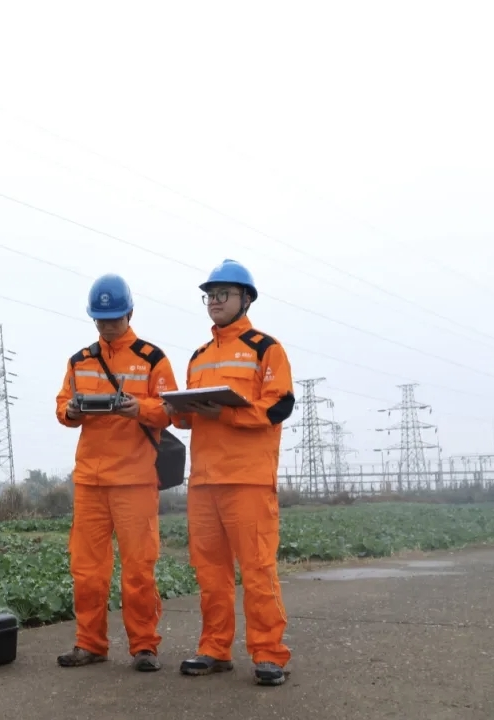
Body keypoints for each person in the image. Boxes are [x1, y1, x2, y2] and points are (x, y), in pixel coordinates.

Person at [167, 258, 296, 687]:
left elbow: (278, 406)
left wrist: (225, 414)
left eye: (223, 294)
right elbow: (190, 421)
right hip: (204, 482)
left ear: (246, 299)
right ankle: (214, 648)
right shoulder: (199, 356)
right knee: (210, 572)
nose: (214, 301)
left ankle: (269, 654)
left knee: (257, 570)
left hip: (248, 480)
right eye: (209, 295)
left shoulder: (265, 348)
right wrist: (178, 411)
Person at [54, 273, 180, 671]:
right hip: (91, 481)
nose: (107, 326)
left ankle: (144, 646)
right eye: (101, 320)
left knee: (139, 568)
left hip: (135, 481)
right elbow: (62, 406)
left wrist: (138, 408)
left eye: (113, 319)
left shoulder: (152, 358)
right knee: (86, 571)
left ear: (130, 314)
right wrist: (71, 411)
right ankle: (90, 644)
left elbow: (172, 410)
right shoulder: (80, 360)